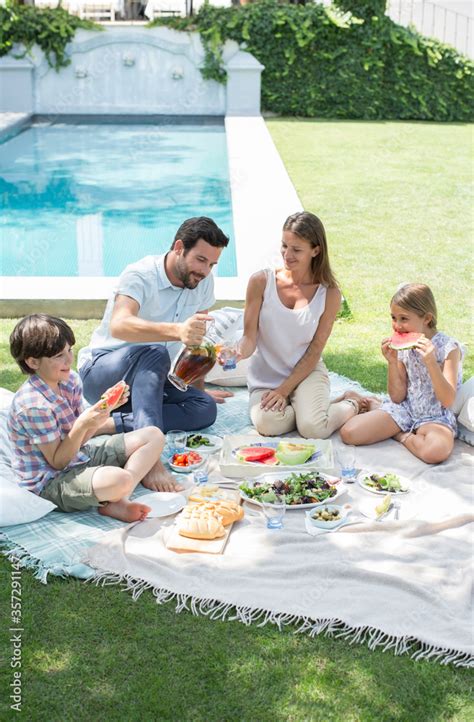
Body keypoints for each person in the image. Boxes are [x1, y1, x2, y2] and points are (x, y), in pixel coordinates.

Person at [78, 217, 232, 491]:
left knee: (203, 409)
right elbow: (120, 324)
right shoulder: (140, 275)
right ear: (178, 247)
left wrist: (195, 388)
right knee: (156, 353)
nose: (206, 271)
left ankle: (109, 422)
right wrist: (176, 331)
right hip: (102, 372)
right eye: (200, 260)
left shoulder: (202, 282)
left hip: (148, 381)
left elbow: (195, 342)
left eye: (212, 264)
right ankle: (149, 462)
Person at [7, 314, 167, 522]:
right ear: (33, 362)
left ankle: (120, 500)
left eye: (69, 351)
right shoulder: (33, 407)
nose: (68, 360)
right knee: (121, 479)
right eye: (58, 356)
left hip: (79, 456)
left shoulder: (70, 380)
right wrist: (83, 423)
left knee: (153, 435)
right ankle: (118, 492)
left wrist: (102, 413)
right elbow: (57, 462)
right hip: (51, 481)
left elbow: (80, 440)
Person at [236, 211, 370, 438]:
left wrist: (284, 390)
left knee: (313, 429)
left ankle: (351, 403)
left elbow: (315, 349)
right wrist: (237, 351)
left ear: (315, 250)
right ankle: (312, 410)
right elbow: (249, 338)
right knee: (267, 424)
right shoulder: (261, 282)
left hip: (307, 372)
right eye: (284, 246)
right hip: (267, 377)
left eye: (296, 249)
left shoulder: (329, 294)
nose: (287, 255)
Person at [340, 283, 463, 464]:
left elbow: (447, 400)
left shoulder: (449, 348)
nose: (397, 325)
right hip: (405, 409)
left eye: (404, 319)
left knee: (435, 452)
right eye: (393, 318)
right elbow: (397, 397)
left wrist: (430, 362)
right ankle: (399, 425)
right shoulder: (404, 346)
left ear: (427, 318)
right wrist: (392, 362)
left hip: (436, 416)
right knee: (349, 433)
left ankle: (401, 436)